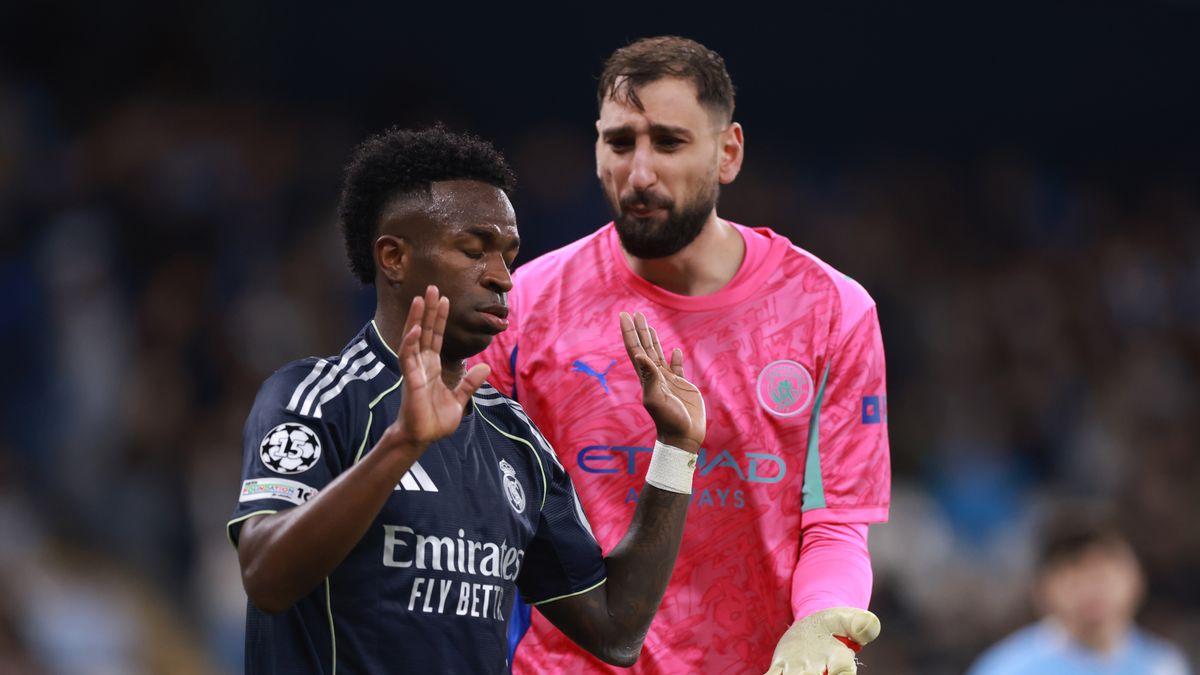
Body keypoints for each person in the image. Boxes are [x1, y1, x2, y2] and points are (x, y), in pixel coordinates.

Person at [226, 125, 708, 674]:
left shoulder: (514, 437)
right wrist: (401, 445)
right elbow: (266, 578)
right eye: (474, 251)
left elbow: (615, 630)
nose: (503, 278)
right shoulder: (315, 398)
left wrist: (675, 449)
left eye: (508, 255)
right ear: (394, 257)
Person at [476, 36, 889, 674]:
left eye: (669, 143)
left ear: (728, 153)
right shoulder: (521, 307)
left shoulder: (831, 309)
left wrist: (820, 623)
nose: (640, 173)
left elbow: (834, 525)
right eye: (620, 143)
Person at [966, 512, 1193, 675]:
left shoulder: (1164, 665)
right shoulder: (1006, 669)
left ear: (1137, 578)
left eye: (1103, 572)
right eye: (1075, 573)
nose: (1091, 588)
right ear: (1041, 590)